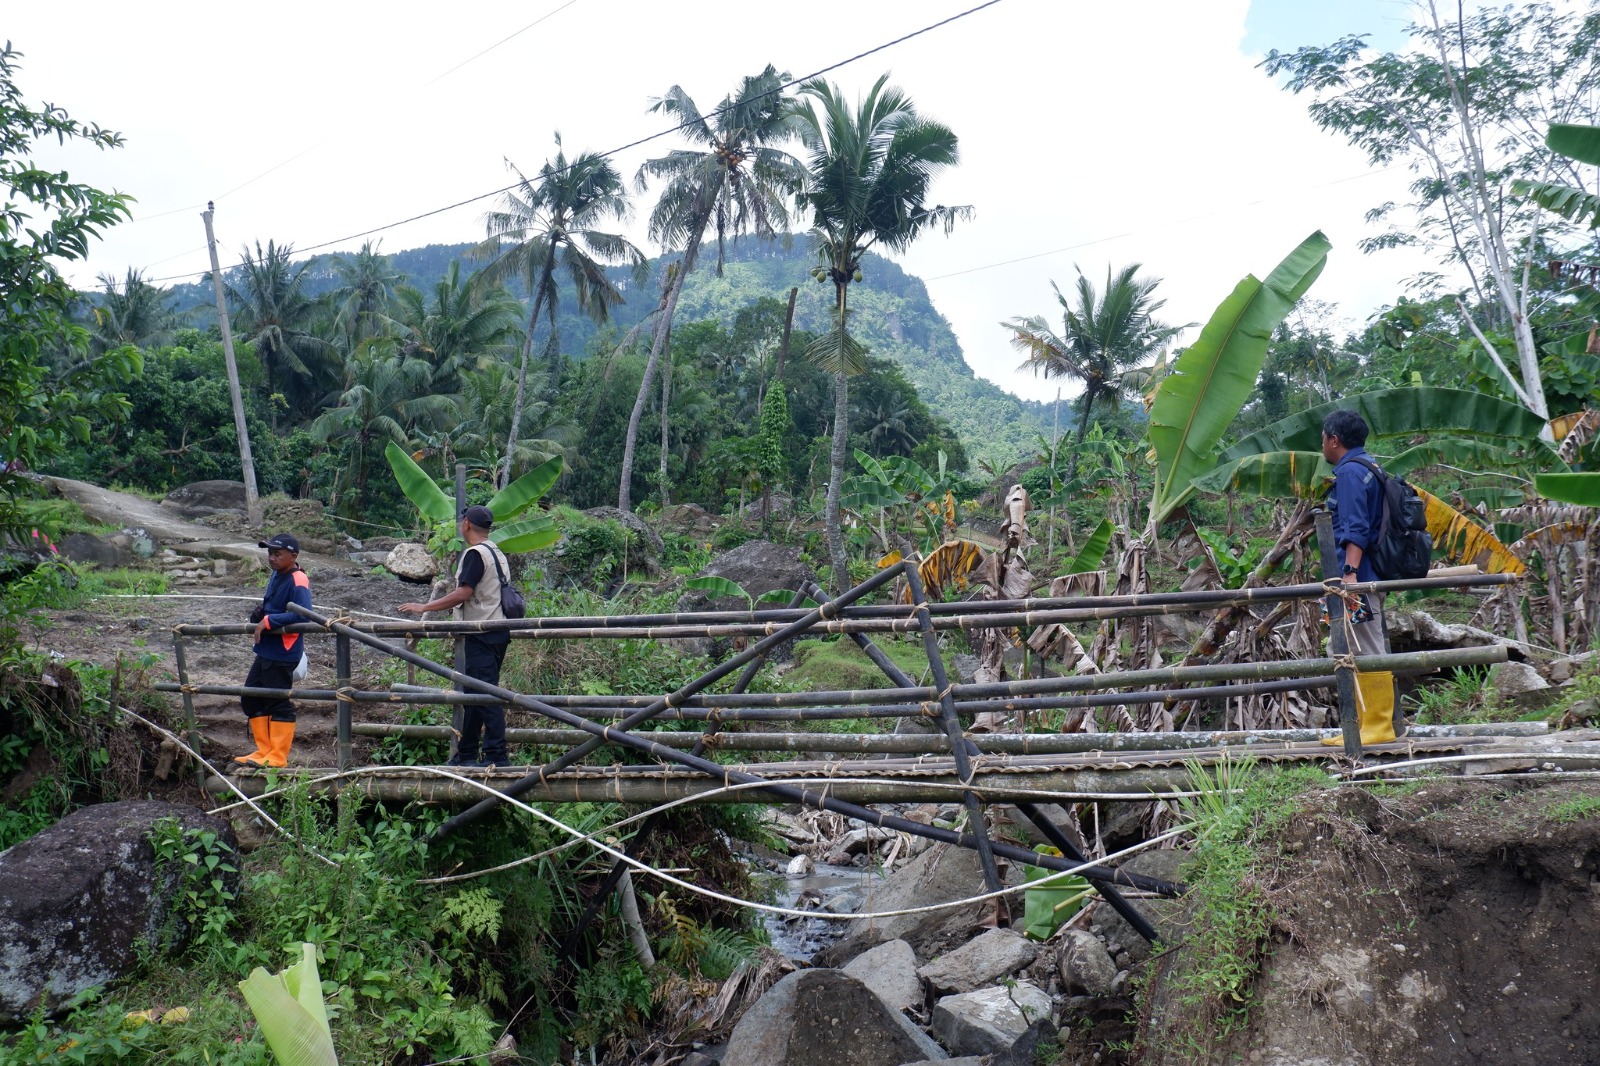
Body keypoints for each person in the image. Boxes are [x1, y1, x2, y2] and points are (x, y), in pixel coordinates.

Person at [398, 505, 512, 767]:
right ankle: (467, 753)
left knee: (485, 694)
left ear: (467, 525)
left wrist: (425, 606)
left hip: (481, 631)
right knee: (475, 693)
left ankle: (497, 755)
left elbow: (463, 593)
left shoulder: (475, 554)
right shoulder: (497, 552)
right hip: (498, 630)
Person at [1320, 409, 1399, 746]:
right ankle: (1365, 724)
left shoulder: (1351, 473)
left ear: (1334, 440)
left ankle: (1377, 727)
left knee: (1364, 646)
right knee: (1350, 645)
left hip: (1357, 576)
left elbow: (1356, 528)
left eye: (1323, 438)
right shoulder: (1370, 466)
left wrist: (1349, 576)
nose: (1321, 445)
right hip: (1366, 573)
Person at [235, 532, 312, 768]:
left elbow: (303, 614)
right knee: (251, 700)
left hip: (283, 652)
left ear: (293, 556)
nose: (272, 558)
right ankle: (264, 751)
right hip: (266, 650)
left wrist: (269, 621)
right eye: (270, 553)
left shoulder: (298, 579)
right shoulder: (276, 575)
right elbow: (273, 606)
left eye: (277, 554)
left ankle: (278, 756)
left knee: (278, 701)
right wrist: (261, 613)